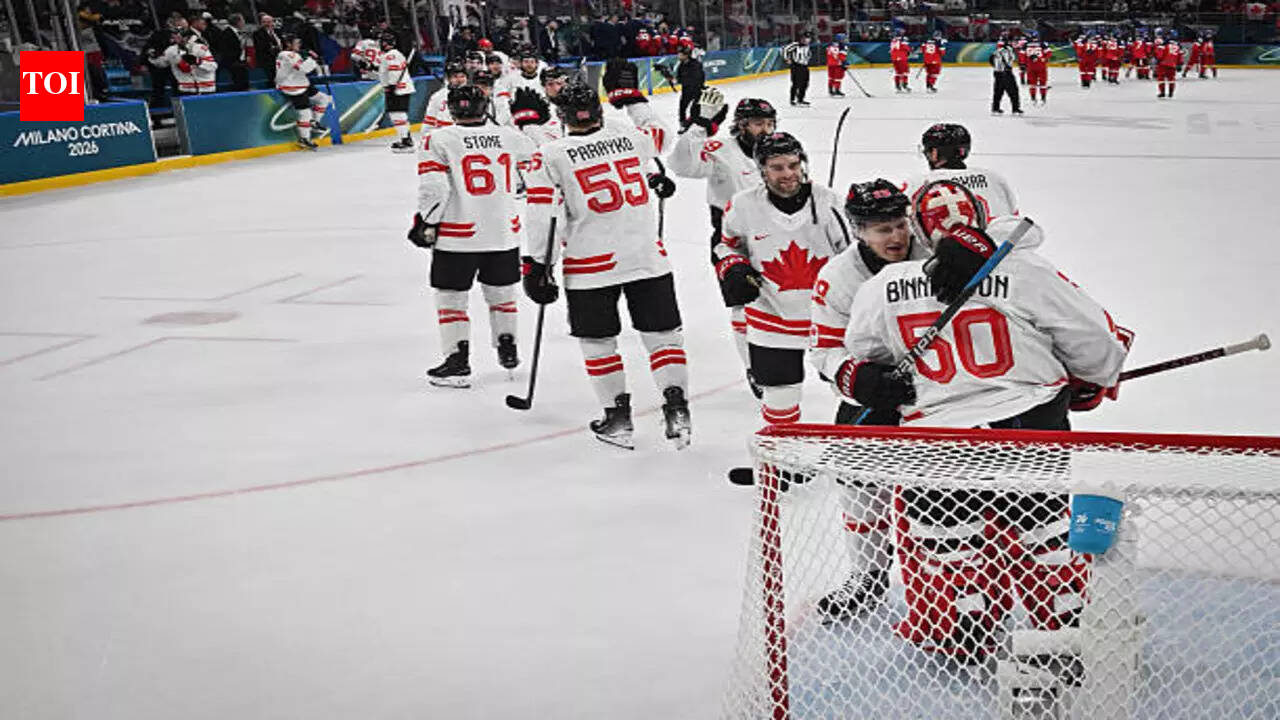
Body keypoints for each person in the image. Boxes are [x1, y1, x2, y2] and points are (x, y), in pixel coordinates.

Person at [837, 198, 1133, 662]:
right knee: (1044, 536)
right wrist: (1086, 380)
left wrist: (875, 382)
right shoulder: (1027, 270)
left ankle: (966, 625)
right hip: (1025, 422)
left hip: (935, 438)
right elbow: (1099, 346)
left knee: (952, 547)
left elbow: (864, 351)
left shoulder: (881, 286)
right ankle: (1063, 627)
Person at [520, 81, 689, 450]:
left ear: (561, 116)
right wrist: (637, 102)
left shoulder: (549, 154)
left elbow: (542, 216)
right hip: (646, 257)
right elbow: (661, 136)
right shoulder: (629, 137)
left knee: (598, 341)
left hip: (590, 265)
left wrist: (537, 265)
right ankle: (677, 408)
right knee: (662, 336)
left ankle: (617, 418)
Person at [806, 179, 929, 621]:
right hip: (876, 391)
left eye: (900, 225)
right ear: (858, 231)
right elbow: (823, 349)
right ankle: (869, 573)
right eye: (882, 230)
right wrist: (857, 377)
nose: (896, 237)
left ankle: (950, 580)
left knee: (943, 492)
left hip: (941, 394)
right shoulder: (838, 276)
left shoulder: (934, 255)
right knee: (857, 479)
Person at [714, 132, 852, 426]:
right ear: (761, 169)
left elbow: (853, 257)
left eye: (793, 164)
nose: (788, 174)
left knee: (854, 397)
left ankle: (851, 457)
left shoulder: (829, 203)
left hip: (827, 322)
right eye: (777, 167)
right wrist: (734, 265)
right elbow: (726, 245)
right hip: (771, 320)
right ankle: (783, 468)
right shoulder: (742, 204)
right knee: (779, 402)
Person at [408, 84, 534, 389]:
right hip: (504, 231)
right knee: (502, 295)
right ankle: (508, 346)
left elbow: (435, 189)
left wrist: (426, 221)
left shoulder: (438, 139)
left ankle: (457, 361)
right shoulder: (509, 136)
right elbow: (536, 170)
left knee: (451, 298)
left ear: (451, 109)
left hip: (457, 235)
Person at [669, 91, 778, 397]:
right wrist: (699, 124)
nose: (765, 130)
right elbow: (681, 165)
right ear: (741, 125)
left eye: (769, 123)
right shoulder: (720, 149)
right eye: (758, 123)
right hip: (732, 241)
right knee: (743, 305)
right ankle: (754, 368)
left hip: (777, 235)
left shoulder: (778, 149)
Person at [902, 123, 1019, 222]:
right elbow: (1013, 220)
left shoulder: (918, 184)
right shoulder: (994, 179)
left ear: (934, 153)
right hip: (997, 247)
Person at [274, 33, 331, 150]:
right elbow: (304, 69)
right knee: (305, 113)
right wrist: (313, 59)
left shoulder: (292, 54)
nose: (299, 45)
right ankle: (304, 139)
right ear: (288, 44)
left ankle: (314, 123)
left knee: (323, 99)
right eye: (296, 42)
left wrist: (310, 59)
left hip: (301, 83)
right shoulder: (287, 54)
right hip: (292, 87)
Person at [378, 32, 415, 153]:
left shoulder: (391, 55)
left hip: (398, 89)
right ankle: (406, 138)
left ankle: (405, 140)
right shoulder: (394, 54)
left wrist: (391, 86)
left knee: (397, 114)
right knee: (399, 114)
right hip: (400, 88)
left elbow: (394, 72)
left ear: (385, 43)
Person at [165, 28, 218, 96]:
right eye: (173, 37)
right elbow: (161, 63)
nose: (175, 39)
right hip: (184, 89)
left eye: (178, 36)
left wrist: (198, 62)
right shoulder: (170, 50)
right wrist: (153, 57)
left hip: (206, 89)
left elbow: (213, 66)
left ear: (187, 37)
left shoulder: (200, 48)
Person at [422, 61, 469, 134]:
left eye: (462, 76)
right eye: (455, 76)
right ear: (448, 78)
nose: (459, 80)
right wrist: (425, 138)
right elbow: (429, 122)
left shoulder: (473, 95)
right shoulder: (438, 96)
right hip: (444, 136)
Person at [989, 36, 1022, 115]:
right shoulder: (1008, 50)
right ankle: (1015, 109)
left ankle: (995, 109)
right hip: (1006, 73)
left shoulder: (996, 51)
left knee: (998, 91)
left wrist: (997, 67)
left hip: (997, 73)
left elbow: (991, 60)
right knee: (1013, 91)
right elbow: (1009, 60)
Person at [674, 44, 705, 126]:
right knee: (682, 108)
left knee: (695, 109)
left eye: (680, 54)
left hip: (696, 90)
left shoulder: (695, 64)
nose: (678, 56)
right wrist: (675, 80)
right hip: (686, 90)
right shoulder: (681, 65)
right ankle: (682, 123)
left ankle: (695, 123)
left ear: (686, 55)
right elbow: (680, 78)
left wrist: (681, 81)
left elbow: (696, 79)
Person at [782, 31, 812, 107]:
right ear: (801, 38)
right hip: (796, 66)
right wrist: (787, 59)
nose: (807, 40)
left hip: (804, 66)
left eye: (808, 38)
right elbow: (785, 50)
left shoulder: (807, 46)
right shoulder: (795, 45)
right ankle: (793, 99)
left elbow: (808, 54)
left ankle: (800, 99)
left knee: (805, 83)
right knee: (796, 83)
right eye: (805, 38)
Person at [253, 13, 282, 87]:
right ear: (261, 23)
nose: (267, 24)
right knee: (272, 78)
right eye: (264, 22)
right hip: (268, 60)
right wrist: (274, 48)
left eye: (269, 22)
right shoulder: (257, 33)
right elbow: (261, 47)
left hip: (281, 59)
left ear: (273, 22)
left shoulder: (278, 32)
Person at [1154, 30, 1183, 98]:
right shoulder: (1178, 46)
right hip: (1173, 64)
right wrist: (1179, 64)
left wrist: (1157, 60)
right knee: (1171, 79)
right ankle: (1171, 93)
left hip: (1163, 64)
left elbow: (1159, 55)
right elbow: (1180, 56)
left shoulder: (1163, 45)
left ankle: (1162, 92)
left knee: (1161, 79)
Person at [1024, 32, 1050, 105]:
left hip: (1030, 66)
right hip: (1041, 65)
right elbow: (1049, 53)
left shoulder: (1026, 45)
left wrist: (1023, 63)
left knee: (1032, 84)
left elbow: (1022, 55)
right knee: (1043, 83)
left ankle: (1033, 98)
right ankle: (1043, 98)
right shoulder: (1042, 44)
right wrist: (1045, 58)